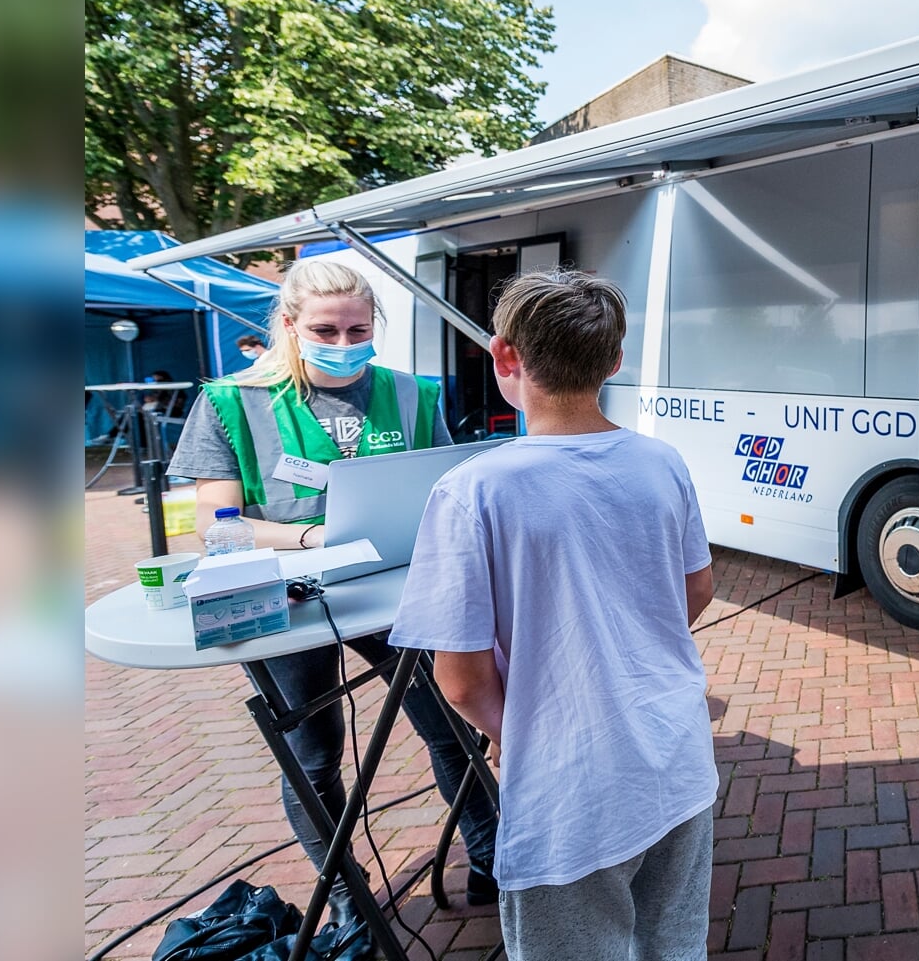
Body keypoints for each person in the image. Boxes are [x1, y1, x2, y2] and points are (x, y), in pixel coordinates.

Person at [390, 269, 716, 961]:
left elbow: (461, 681)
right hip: (678, 755)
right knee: (672, 946)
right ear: (614, 360)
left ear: (505, 355)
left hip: (572, 783)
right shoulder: (662, 461)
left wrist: (521, 731)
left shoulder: (472, 489)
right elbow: (696, 591)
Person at [166, 260, 499, 921]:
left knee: (451, 726)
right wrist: (310, 539)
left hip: (397, 589)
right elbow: (213, 521)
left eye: (358, 328)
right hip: (290, 598)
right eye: (325, 329)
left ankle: (493, 857)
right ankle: (348, 899)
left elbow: (441, 485)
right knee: (313, 756)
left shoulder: (410, 392)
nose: (344, 343)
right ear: (289, 325)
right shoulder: (233, 401)